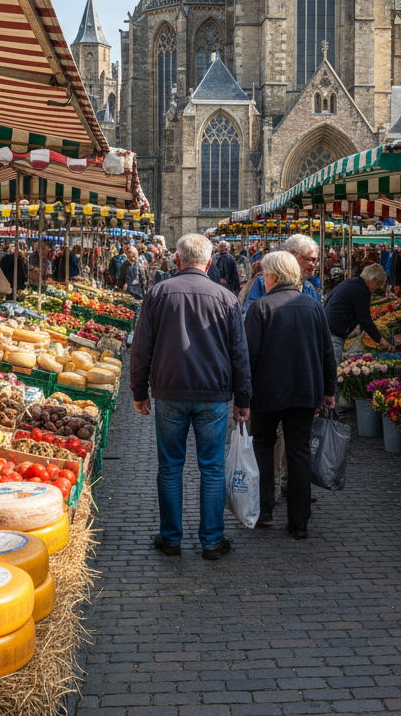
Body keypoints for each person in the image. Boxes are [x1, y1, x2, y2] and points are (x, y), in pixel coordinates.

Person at [130, 233, 250, 561]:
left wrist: (139, 391)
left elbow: (141, 347)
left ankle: (171, 539)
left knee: (170, 467)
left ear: (177, 259)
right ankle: (212, 540)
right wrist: (243, 399)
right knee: (211, 468)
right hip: (213, 394)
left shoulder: (158, 293)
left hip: (170, 391)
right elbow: (240, 354)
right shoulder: (226, 298)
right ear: (209, 263)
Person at [245, 251, 336, 538]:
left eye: (265, 274)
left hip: (266, 391)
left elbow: (248, 356)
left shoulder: (260, 307)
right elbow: (327, 352)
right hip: (304, 390)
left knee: (263, 446)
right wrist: (328, 390)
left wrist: (242, 396)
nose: (263, 278)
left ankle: (264, 510)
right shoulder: (313, 306)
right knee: (298, 452)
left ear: (272, 275)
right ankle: (299, 522)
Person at [324, 262, 388, 369]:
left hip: (324, 329)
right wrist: (381, 340)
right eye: (378, 285)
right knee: (332, 371)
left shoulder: (349, 283)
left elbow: (327, 302)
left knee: (325, 369)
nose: (376, 289)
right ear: (374, 280)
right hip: (334, 334)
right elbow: (365, 320)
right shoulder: (362, 291)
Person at [243, 233, 321, 313]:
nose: (313, 264)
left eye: (315, 260)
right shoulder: (266, 282)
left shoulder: (308, 287)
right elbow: (251, 314)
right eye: (309, 259)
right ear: (291, 256)